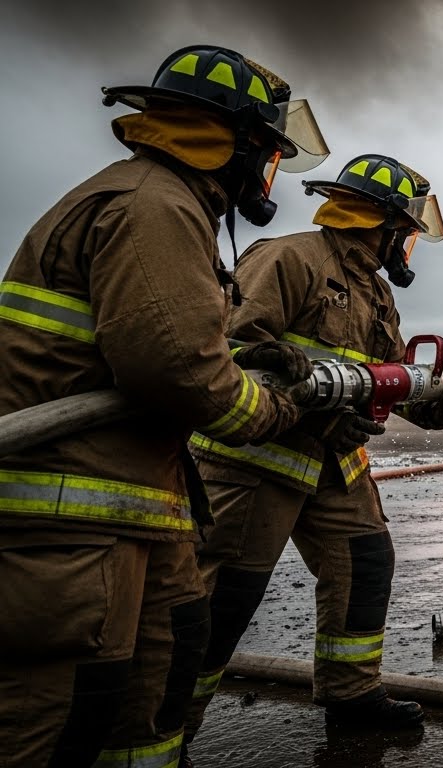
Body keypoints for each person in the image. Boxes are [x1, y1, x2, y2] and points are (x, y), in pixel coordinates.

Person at [0, 44, 328, 767]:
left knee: (154, 698)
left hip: (135, 515)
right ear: (239, 144)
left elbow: (161, 344)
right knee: (60, 725)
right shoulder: (154, 204)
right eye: (268, 155)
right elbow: (176, 369)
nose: (266, 174)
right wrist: (273, 411)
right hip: (72, 527)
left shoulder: (171, 203)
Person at [184, 153, 443, 742]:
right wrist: (320, 418)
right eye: (406, 234)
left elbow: (390, 379)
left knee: (364, 563)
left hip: (335, 465)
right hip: (256, 462)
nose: (406, 249)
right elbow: (228, 353)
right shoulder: (288, 258)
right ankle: (169, 733)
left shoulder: (372, 292)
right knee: (222, 602)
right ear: (387, 225)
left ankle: (353, 699)